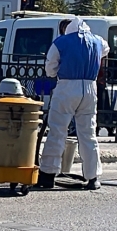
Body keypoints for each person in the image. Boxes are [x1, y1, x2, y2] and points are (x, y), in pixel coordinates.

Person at [36, 17, 110, 190]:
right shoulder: (96, 41)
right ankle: (93, 177)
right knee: (88, 134)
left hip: (67, 88)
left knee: (57, 131)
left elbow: (50, 69)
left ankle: (47, 174)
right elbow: (106, 48)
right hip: (90, 89)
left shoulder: (61, 42)